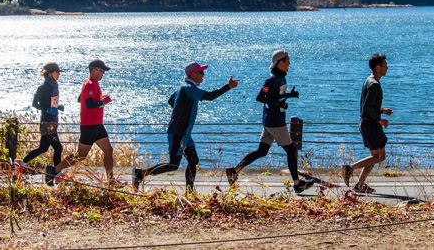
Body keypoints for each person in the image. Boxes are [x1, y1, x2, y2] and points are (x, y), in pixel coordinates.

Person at [133, 62, 239, 192]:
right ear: (193, 74)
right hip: (178, 131)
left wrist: (180, 112)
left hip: (185, 133)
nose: (203, 75)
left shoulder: (183, 87)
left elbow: (171, 100)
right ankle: (140, 174)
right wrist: (228, 87)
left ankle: (190, 191)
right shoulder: (189, 88)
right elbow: (209, 97)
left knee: (193, 160)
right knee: (173, 165)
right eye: (201, 72)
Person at [225, 50, 314, 194]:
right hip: (275, 121)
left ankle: (233, 171)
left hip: (271, 119)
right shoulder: (272, 79)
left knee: (262, 151)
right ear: (280, 63)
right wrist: (279, 105)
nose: (289, 63)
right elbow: (260, 97)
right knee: (291, 150)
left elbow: (276, 95)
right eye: (287, 61)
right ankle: (297, 184)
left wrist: (288, 95)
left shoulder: (281, 77)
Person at [48, 59, 114, 186]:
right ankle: (53, 170)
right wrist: (102, 102)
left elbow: (80, 99)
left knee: (109, 150)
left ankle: (110, 180)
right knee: (80, 156)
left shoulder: (93, 83)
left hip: (97, 124)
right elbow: (89, 105)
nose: (103, 74)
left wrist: (99, 99)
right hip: (89, 125)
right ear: (94, 70)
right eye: (101, 71)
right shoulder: (89, 84)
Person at [341, 53, 393, 194]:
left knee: (375, 157)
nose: (387, 67)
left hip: (366, 122)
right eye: (385, 65)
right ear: (377, 68)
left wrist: (382, 111)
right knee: (379, 157)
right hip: (370, 124)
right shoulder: (374, 85)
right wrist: (380, 119)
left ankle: (360, 184)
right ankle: (350, 168)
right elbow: (367, 108)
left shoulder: (369, 81)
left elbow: (368, 106)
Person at [15, 62, 64, 177]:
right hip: (47, 122)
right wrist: (46, 110)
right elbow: (34, 104)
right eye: (57, 72)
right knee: (58, 147)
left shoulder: (55, 85)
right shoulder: (43, 88)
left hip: (54, 119)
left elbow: (53, 101)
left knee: (43, 148)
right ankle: (57, 173)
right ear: (51, 73)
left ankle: (21, 163)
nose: (59, 75)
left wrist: (58, 107)